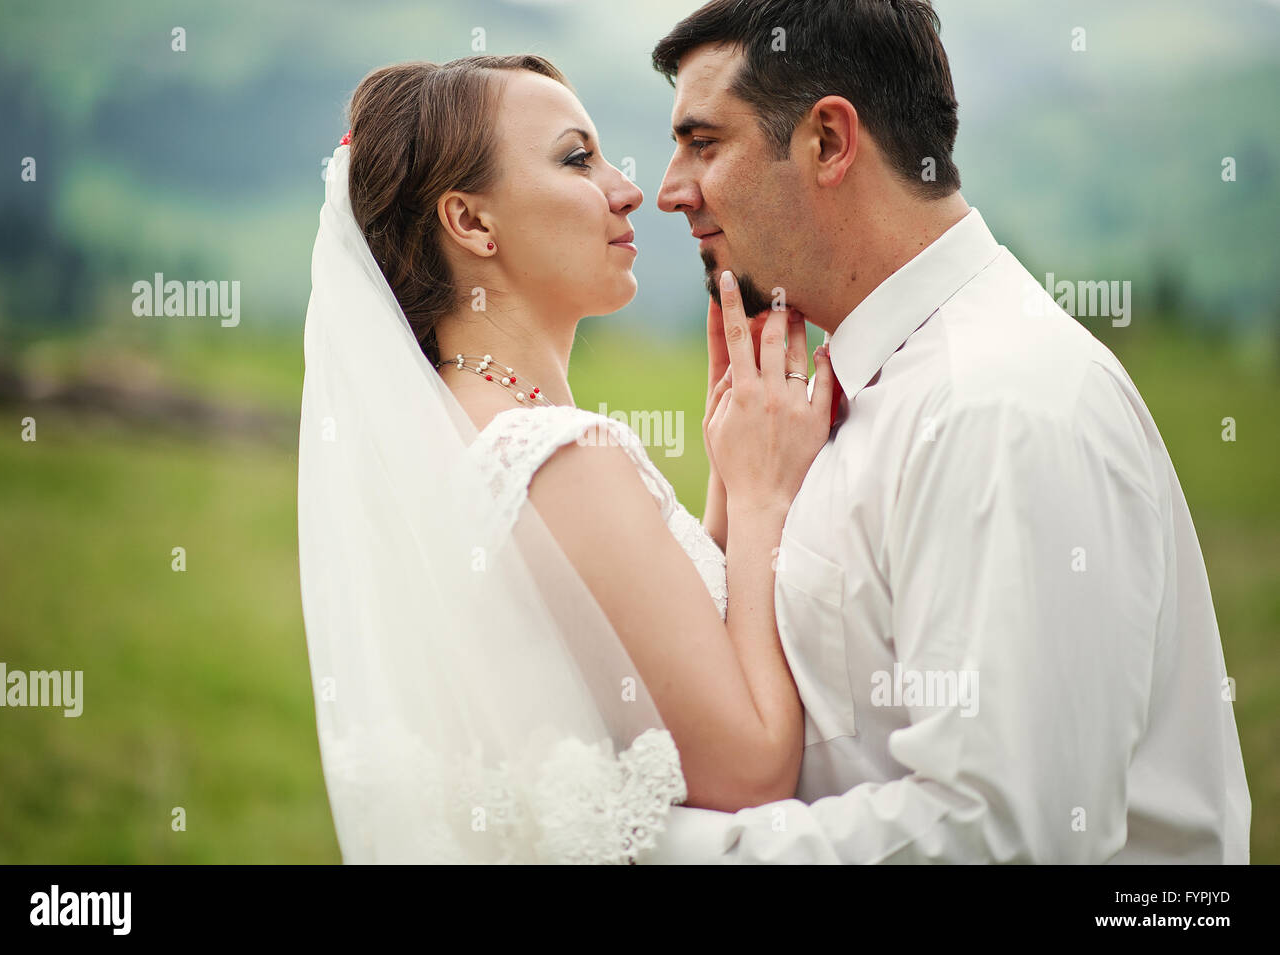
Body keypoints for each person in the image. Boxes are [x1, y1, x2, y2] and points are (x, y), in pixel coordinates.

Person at [641, 0, 1251, 864]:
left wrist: (653, 846)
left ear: (828, 141)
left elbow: (998, 833)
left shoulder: (997, 407)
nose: (669, 189)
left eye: (704, 143)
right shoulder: (837, 396)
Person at [297, 54, 834, 863]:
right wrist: (764, 498)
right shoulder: (557, 457)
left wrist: (730, 469)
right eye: (578, 159)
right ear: (471, 223)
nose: (629, 190)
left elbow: (648, 661)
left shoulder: (455, 437)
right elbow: (750, 768)